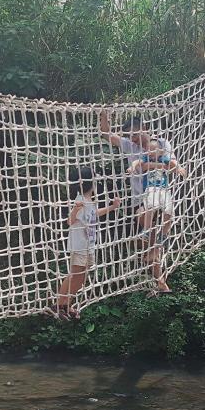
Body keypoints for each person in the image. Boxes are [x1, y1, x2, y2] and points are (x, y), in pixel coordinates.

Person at [54, 167, 121, 320]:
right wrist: (74, 210)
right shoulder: (80, 200)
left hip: (88, 244)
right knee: (75, 275)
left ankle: (66, 304)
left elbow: (94, 214)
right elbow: (70, 221)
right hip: (80, 244)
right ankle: (59, 305)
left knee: (81, 278)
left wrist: (112, 207)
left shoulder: (89, 201)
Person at [130, 137, 186, 294]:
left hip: (161, 193)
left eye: (155, 149)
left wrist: (177, 169)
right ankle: (158, 275)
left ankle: (159, 276)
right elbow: (141, 164)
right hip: (147, 197)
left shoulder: (163, 151)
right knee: (150, 213)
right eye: (149, 149)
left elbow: (171, 164)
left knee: (168, 212)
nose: (152, 151)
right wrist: (134, 166)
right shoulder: (143, 156)